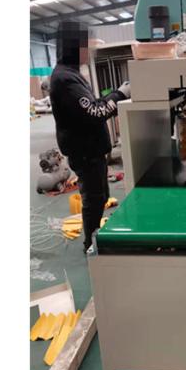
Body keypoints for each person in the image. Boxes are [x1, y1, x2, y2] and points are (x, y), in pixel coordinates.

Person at [49, 20, 131, 252]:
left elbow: (90, 105)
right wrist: (119, 94)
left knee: (100, 196)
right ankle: (92, 246)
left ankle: (96, 239)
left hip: (90, 150)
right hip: (85, 152)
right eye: (85, 46)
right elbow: (94, 112)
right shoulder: (65, 79)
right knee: (93, 200)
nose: (89, 50)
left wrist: (114, 95)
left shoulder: (71, 74)